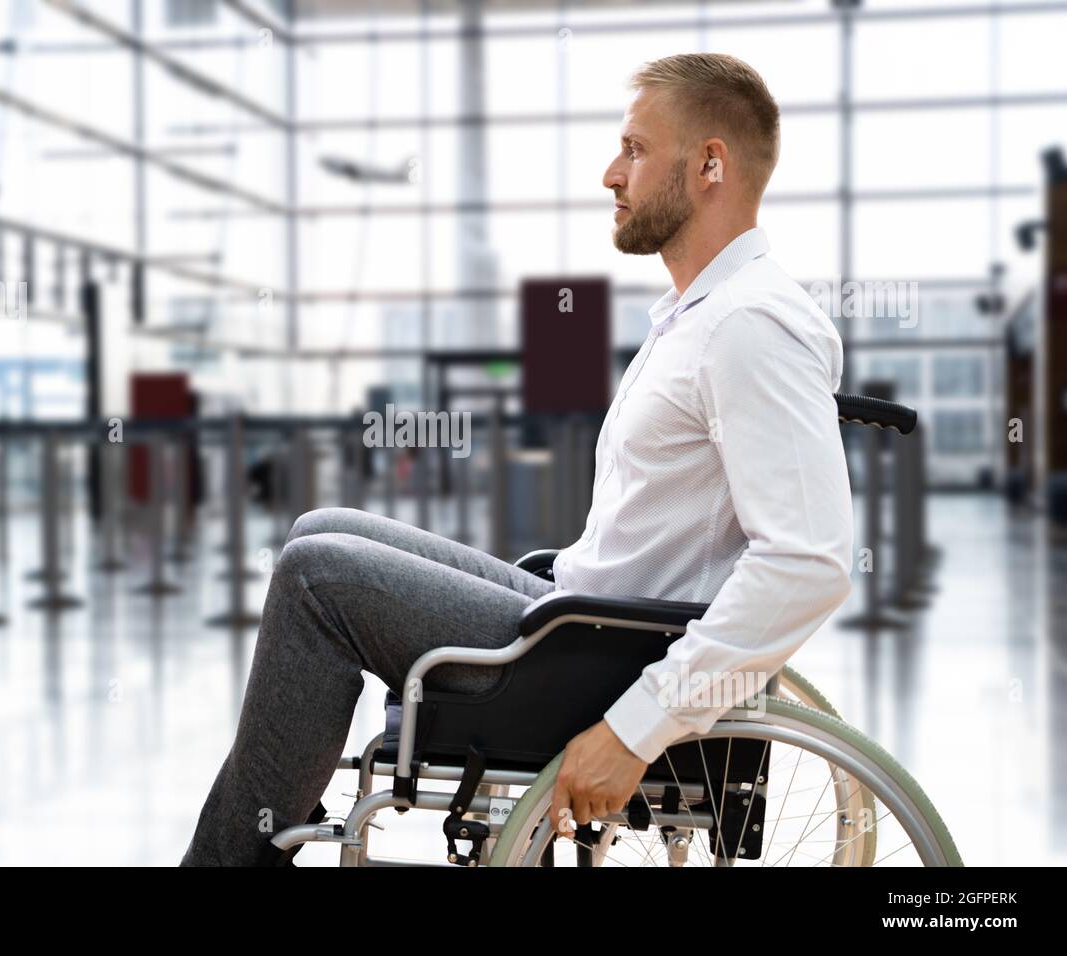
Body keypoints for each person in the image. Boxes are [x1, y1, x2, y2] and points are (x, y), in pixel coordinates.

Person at [180, 52, 854, 867]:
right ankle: (262, 821)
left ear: (710, 163)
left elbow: (811, 562)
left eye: (636, 149)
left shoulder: (750, 327)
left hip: (600, 661)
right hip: (585, 618)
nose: (612, 173)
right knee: (319, 527)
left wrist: (635, 728)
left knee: (318, 577)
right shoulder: (698, 316)